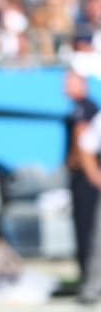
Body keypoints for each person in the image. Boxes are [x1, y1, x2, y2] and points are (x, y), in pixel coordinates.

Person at [63, 65, 99, 289]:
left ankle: (90, 278)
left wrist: (90, 172)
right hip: (82, 175)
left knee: (88, 229)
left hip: (85, 178)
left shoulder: (85, 107)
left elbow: (83, 140)